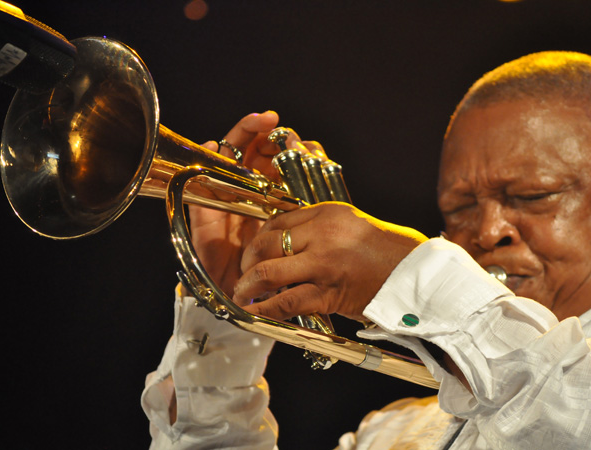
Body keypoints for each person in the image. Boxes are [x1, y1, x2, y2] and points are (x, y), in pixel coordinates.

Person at [141, 51, 591, 449]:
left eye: (535, 196)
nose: (488, 232)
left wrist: (410, 275)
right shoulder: (388, 434)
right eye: (461, 207)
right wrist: (227, 310)